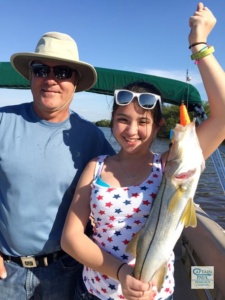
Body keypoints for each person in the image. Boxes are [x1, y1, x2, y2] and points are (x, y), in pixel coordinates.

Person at [61, 3, 225, 300]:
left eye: (143, 122)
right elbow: (71, 238)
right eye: (123, 119)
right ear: (112, 121)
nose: (131, 130)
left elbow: (223, 114)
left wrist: (199, 44)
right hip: (94, 293)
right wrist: (122, 274)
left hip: (154, 294)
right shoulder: (95, 168)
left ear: (159, 124)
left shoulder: (167, 168)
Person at [0, 31, 115, 299]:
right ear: (30, 76)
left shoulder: (92, 138)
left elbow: (125, 180)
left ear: (75, 82)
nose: (51, 80)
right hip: (7, 272)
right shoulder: (3, 122)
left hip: (67, 268)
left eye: (62, 72)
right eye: (41, 70)